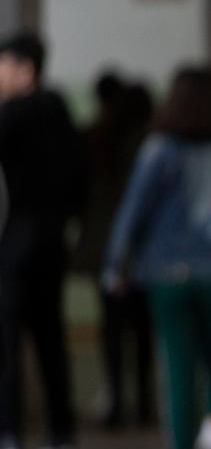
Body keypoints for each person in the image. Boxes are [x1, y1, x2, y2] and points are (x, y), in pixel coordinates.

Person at [105, 67, 211, 449]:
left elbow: (133, 212)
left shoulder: (159, 149)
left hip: (167, 271)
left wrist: (116, 265)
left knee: (179, 366)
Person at [0, 30, 87, 449]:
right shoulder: (61, 112)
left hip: (17, 238)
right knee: (51, 337)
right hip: (53, 237)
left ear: (24, 69)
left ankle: (9, 434)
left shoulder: (12, 114)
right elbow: (80, 174)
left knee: (9, 338)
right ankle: (59, 433)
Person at [77, 71, 155, 429]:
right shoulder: (145, 143)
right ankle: (144, 403)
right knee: (141, 329)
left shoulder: (95, 138)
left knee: (112, 327)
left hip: (105, 242)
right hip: (142, 246)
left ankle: (117, 403)